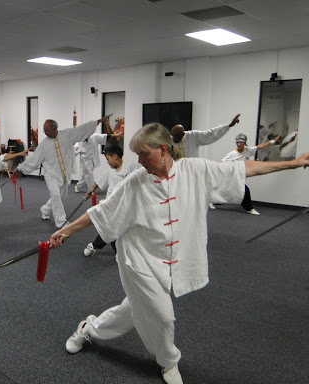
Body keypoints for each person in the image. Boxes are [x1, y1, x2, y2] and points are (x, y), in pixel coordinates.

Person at [48, 122, 309, 384]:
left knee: (135, 310)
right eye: (136, 155)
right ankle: (169, 361)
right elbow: (101, 213)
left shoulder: (195, 170)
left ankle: (88, 328)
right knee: (162, 316)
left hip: (169, 260)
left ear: (163, 149)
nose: (138, 162)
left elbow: (241, 169)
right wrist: (66, 231)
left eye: (143, 154)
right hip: (138, 261)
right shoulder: (135, 183)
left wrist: (292, 163)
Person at [13, 115, 111, 228]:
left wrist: (98, 121)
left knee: (61, 197)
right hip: (50, 174)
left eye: (47, 130)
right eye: (44, 130)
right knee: (55, 195)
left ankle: (45, 210)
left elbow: (81, 129)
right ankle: (61, 221)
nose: (45, 133)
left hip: (64, 172)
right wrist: (20, 168)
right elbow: (34, 159)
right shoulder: (44, 144)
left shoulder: (67, 134)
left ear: (55, 129)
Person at [83, 145, 141, 257]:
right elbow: (98, 182)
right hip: (111, 205)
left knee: (115, 227)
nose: (108, 162)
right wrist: (90, 191)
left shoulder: (131, 167)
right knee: (111, 227)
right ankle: (111, 250)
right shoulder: (110, 171)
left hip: (126, 205)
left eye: (108, 159)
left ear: (115, 157)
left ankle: (96, 246)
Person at [221, 132, 281, 215]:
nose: (238, 144)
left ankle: (212, 200)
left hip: (241, 175)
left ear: (245, 143)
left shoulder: (248, 150)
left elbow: (260, 146)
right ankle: (249, 209)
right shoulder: (232, 154)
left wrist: (273, 141)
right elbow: (221, 162)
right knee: (245, 190)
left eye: (241, 142)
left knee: (227, 191)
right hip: (233, 175)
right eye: (237, 142)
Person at [170, 114, 241, 158]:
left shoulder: (193, 136)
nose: (174, 139)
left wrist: (229, 126)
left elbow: (211, 134)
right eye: (173, 136)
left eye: (177, 136)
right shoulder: (169, 140)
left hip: (192, 170)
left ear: (183, 134)